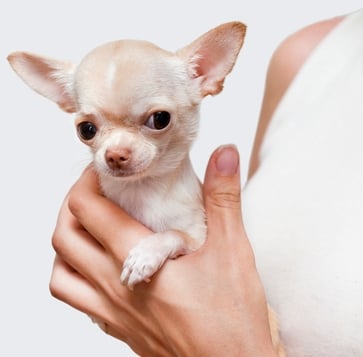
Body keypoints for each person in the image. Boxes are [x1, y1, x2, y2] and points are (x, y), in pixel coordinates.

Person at [49, 9, 363, 356]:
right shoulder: (307, 56)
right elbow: (225, 261)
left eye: (157, 119)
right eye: (90, 130)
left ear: (204, 73)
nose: (116, 152)